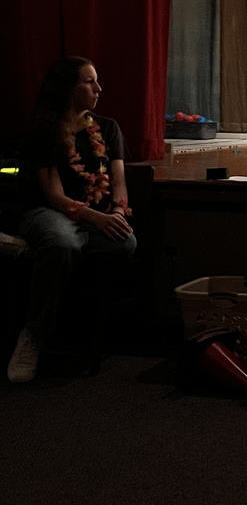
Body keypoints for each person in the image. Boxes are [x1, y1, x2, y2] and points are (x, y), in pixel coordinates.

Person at [10, 57, 136, 383]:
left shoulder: (107, 128)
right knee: (63, 240)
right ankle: (33, 336)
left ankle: (32, 251)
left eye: (97, 81)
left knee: (125, 242)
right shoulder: (45, 129)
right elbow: (54, 196)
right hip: (47, 213)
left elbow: (118, 181)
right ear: (68, 87)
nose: (99, 88)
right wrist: (96, 218)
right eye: (89, 81)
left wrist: (118, 212)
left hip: (89, 220)